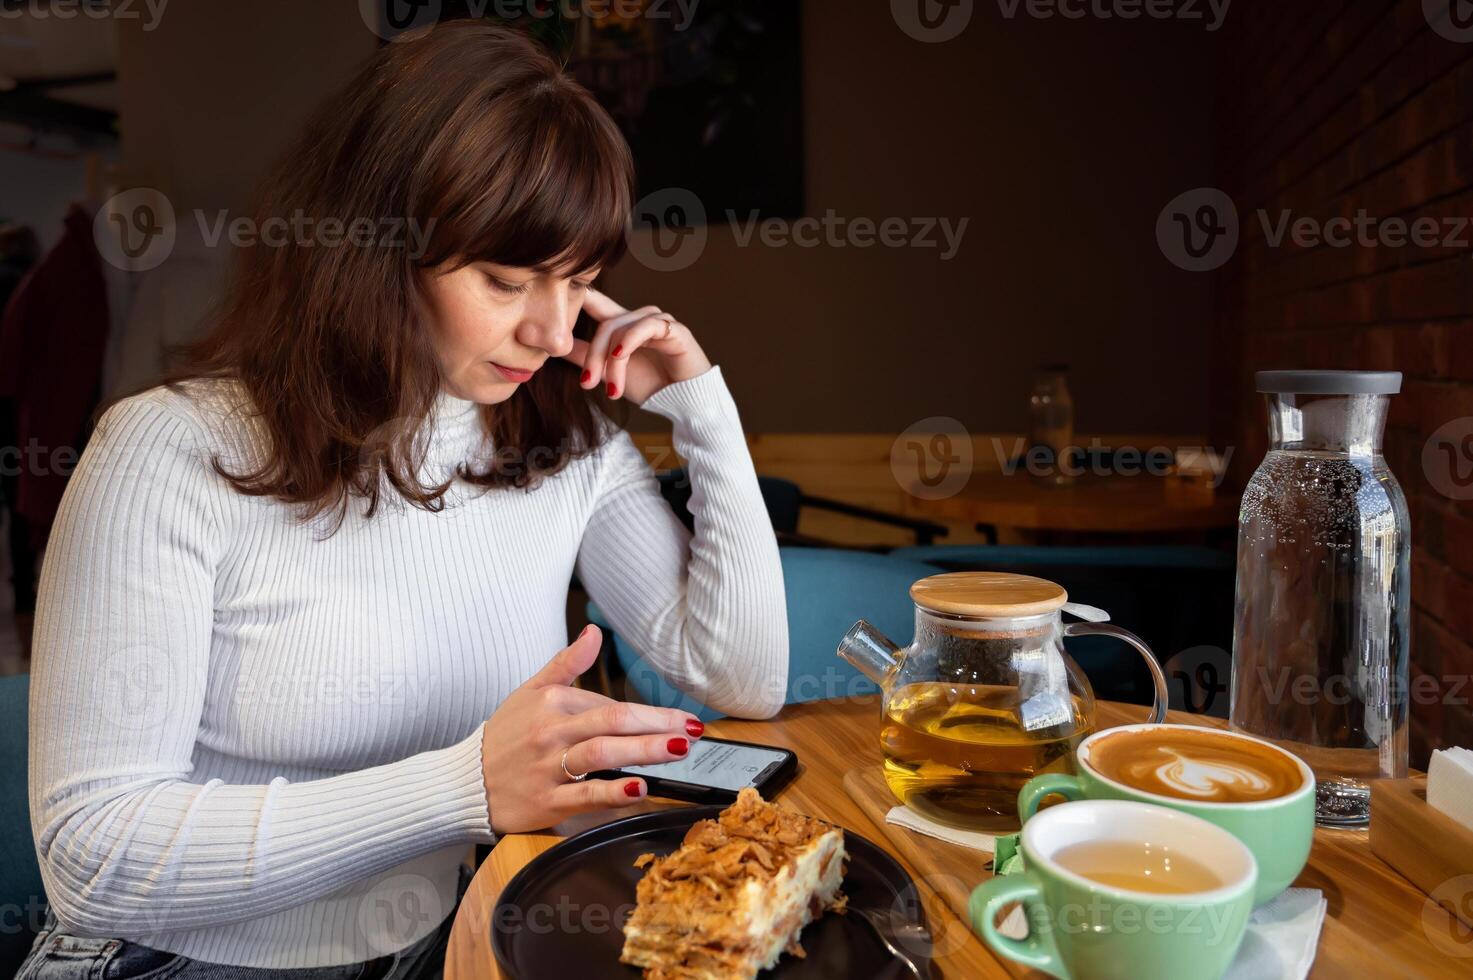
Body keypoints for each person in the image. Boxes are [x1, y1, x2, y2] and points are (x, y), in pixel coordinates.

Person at [20, 21, 786, 979]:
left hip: (435, 945)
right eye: (507, 280)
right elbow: (96, 860)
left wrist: (698, 404)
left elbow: (741, 677)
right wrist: (464, 786)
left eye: (580, 280)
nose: (553, 331)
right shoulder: (168, 452)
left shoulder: (561, 445)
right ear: (372, 252)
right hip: (171, 960)